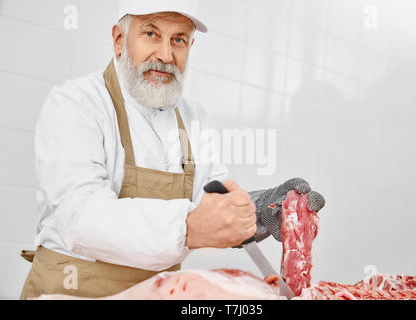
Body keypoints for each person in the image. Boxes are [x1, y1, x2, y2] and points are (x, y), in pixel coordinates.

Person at [20, 0, 325, 299]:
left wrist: (261, 210)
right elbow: (78, 217)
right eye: (151, 34)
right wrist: (188, 227)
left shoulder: (194, 116)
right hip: (71, 291)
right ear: (119, 40)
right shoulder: (76, 104)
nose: (166, 55)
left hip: (157, 293)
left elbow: (211, 196)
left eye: (178, 39)